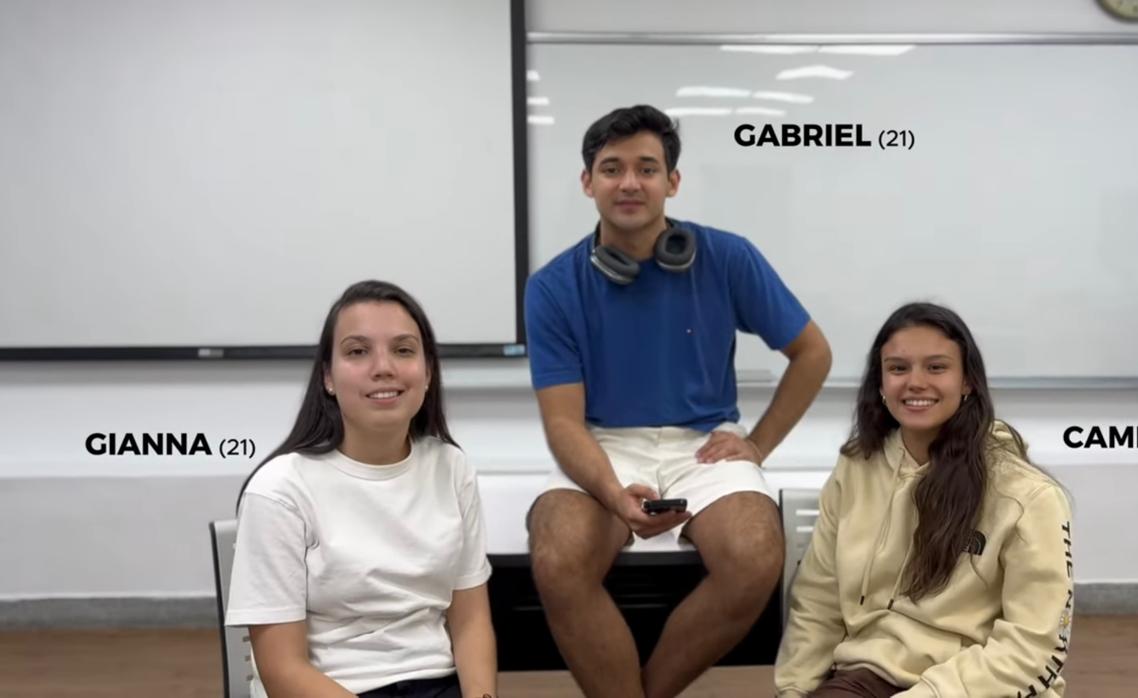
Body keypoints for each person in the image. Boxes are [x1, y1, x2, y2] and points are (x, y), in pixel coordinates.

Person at [524, 104, 833, 698]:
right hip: (602, 443)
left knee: (755, 556)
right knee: (558, 555)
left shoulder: (728, 257)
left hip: (705, 445)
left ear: (673, 181)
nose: (630, 183)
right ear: (588, 182)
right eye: (612, 169)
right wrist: (614, 495)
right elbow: (563, 424)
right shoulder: (553, 286)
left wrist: (757, 445)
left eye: (647, 167)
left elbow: (812, 353)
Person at [774, 302, 1074, 698]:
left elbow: (1034, 647)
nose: (915, 382)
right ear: (879, 383)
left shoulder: (1028, 495)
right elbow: (818, 600)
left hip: (977, 687)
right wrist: (794, 690)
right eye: (898, 368)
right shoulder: (856, 468)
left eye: (936, 367)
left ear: (967, 381)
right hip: (868, 674)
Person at [225, 280, 497, 698]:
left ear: (427, 373)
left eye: (403, 350)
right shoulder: (280, 489)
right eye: (357, 351)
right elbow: (281, 668)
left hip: (438, 685)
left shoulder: (451, 467)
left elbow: (471, 620)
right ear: (328, 378)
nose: (383, 367)